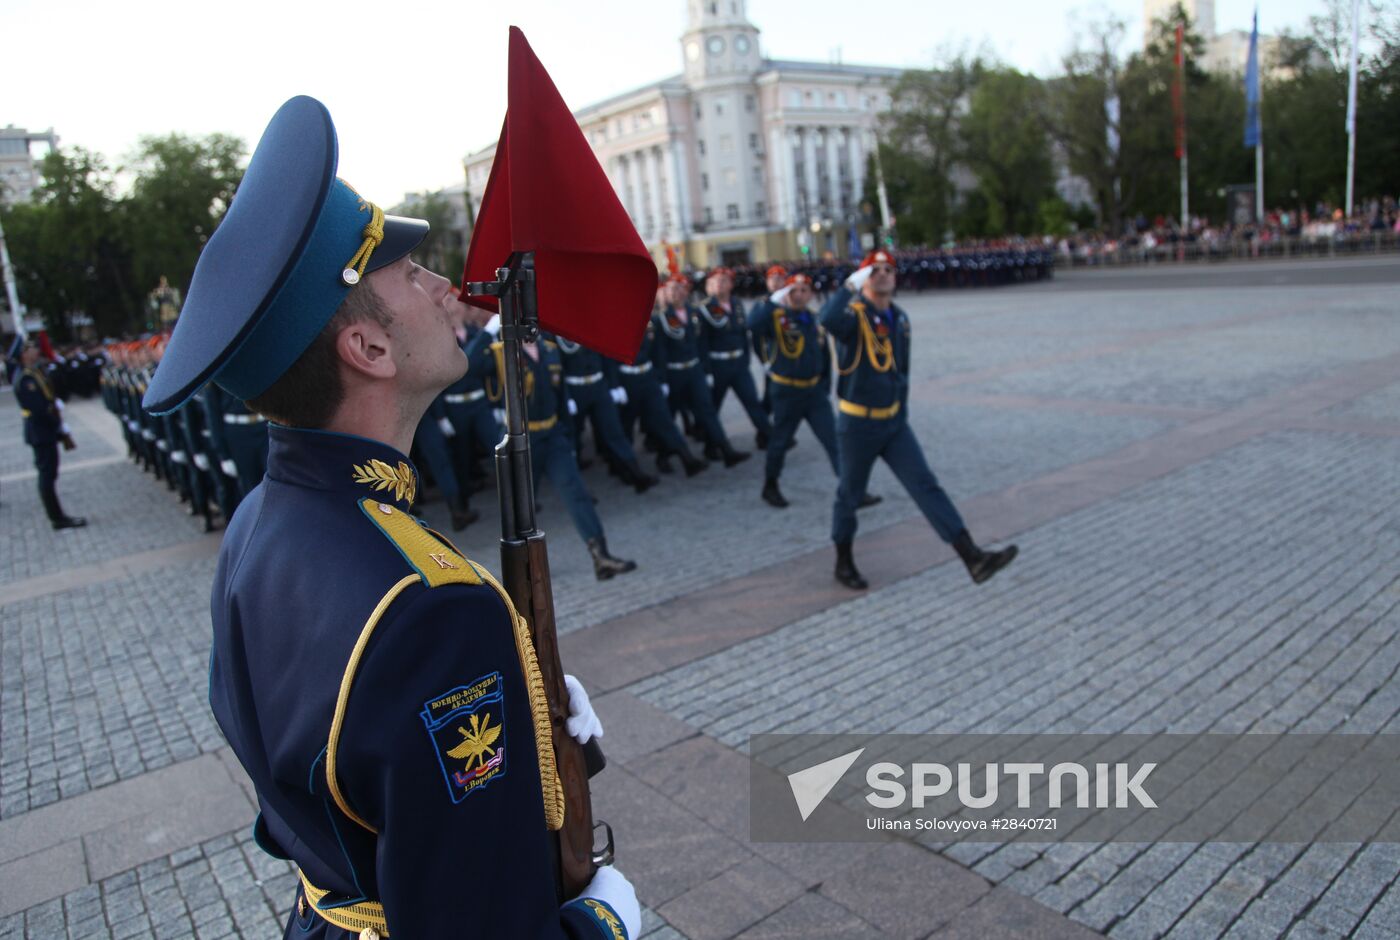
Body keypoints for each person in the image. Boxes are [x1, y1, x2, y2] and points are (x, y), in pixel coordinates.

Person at [141, 96, 640, 939]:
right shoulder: (433, 613)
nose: (445, 286)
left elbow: (308, 797)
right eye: (409, 274)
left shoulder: (260, 523)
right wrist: (599, 924)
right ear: (366, 350)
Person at [822, 249, 1017, 590]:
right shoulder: (853, 316)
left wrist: (900, 412)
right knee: (849, 495)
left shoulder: (900, 318)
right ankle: (843, 561)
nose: (883, 274)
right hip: (858, 425)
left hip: (894, 423)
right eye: (875, 270)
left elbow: (902, 372)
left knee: (925, 484)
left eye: (888, 269)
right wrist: (851, 283)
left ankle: (972, 556)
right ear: (864, 279)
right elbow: (827, 318)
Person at [465, 320, 639, 580]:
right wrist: (487, 331)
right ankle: (522, 568)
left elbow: (560, 394)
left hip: (554, 435)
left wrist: (569, 438)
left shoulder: (549, 348)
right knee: (522, 507)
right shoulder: (501, 352)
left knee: (577, 493)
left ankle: (601, 557)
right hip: (521, 440)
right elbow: (469, 367)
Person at [655, 276, 748, 467]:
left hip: (694, 370)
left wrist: (706, 370)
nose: (673, 293)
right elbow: (660, 353)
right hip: (674, 373)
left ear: (685, 291)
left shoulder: (694, 313)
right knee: (669, 415)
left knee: (707, 410)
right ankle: (662, 455)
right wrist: (662, 379)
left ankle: (725, 450)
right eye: (669, 289)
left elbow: (702, 343)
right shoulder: (661, 318)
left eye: (678, 288)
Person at [13, 338, 86, 530]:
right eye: (30, 349)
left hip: (44, 430)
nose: (35, 350)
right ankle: (57, 517)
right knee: (47, 474)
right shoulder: (26, 378)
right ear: (23, 355)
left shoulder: (34, 373)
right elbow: (39, 409)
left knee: (50, 474)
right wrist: (58, 425)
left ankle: (57, 515)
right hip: (41, 432)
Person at [697, 267, 770, 449]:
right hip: (717, 365)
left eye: (723, 281)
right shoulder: (704, 309)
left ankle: (771, 437)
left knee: (751, 400)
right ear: (708, 287)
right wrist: (706, 371)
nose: (719, 285)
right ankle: (710, 445)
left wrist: (745, 359)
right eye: (714, 282)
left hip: (738, 364)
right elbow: (702, 343)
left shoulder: (736, 303)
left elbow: (743, 334)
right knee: (713, 407)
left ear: (730, 284)